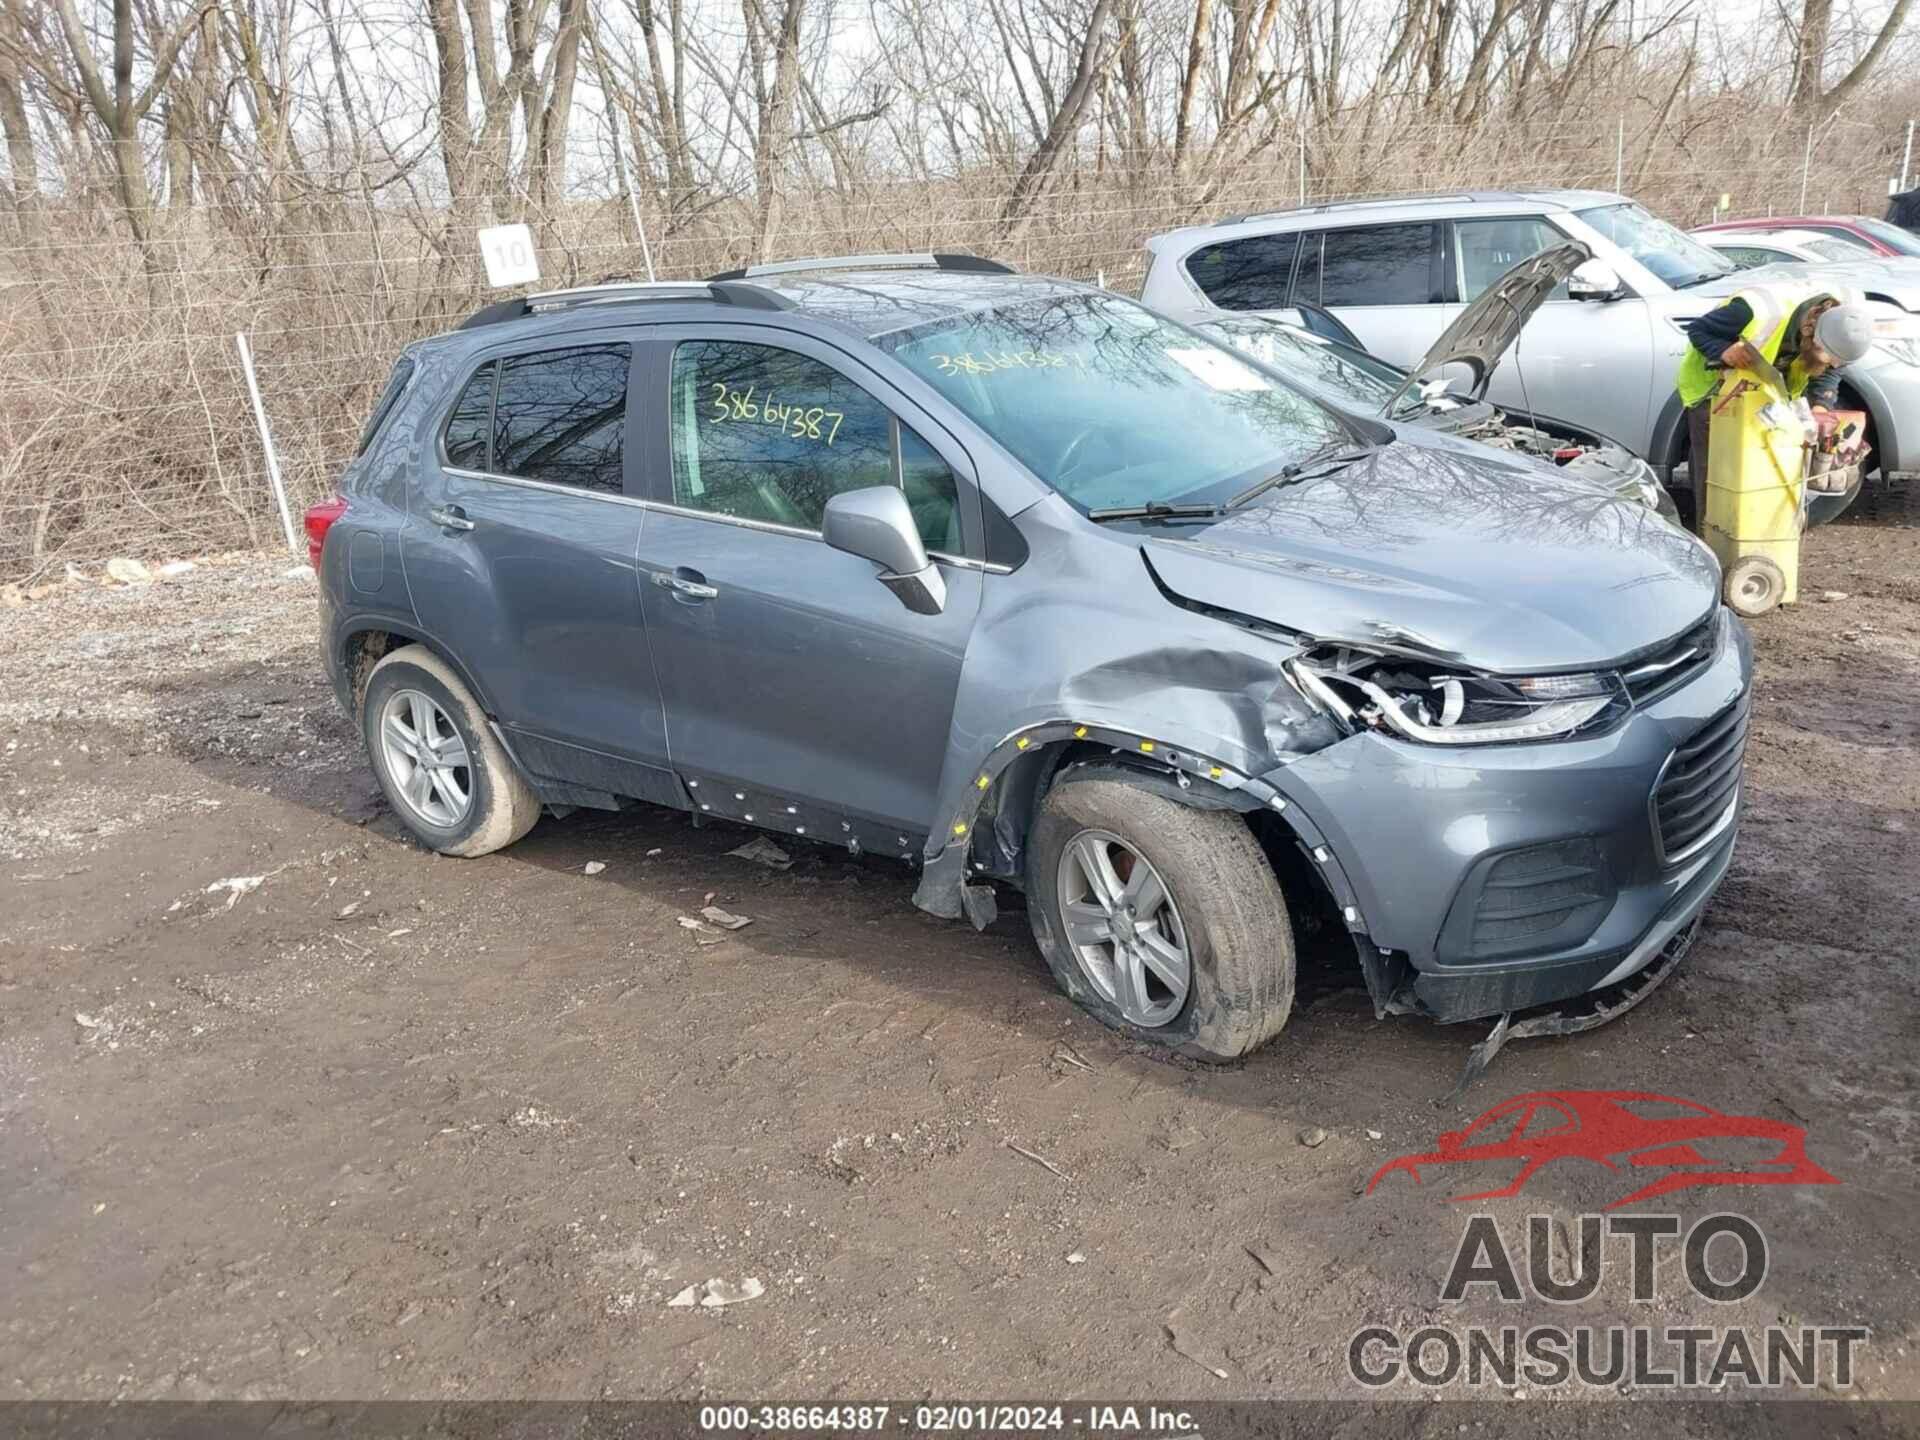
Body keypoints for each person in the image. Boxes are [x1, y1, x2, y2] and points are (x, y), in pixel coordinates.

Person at [1674, 282, 1875, 522]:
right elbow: (1698, 330)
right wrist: (1724, 350)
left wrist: (1820, 407)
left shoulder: (1846, 323)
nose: (1831, 365)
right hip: (1717, 394)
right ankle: (1714, 540)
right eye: (1826, 357)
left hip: (1766, 397)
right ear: (1811, 334)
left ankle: (1756, 536)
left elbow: (1831, 370)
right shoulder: (1755, 312)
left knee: (1764, 471)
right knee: (1717, 479)